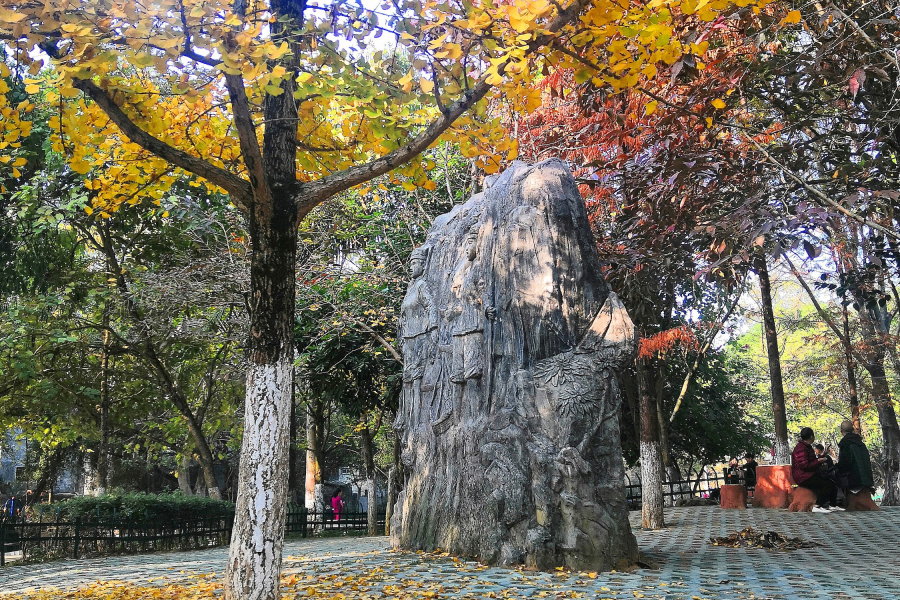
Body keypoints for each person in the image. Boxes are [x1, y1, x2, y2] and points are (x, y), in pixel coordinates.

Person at [792, 427, 839, 512]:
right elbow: (804, 465)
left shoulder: (807, 447)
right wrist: (818, 461)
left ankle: (833, 504)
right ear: (811, 437)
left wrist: (821, 457)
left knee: (831, 482)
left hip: (808, 473)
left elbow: (811, 460)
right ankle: (817, 506)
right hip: (802, 476)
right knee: (825, 484)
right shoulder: (801, 448)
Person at [837, 420, 875, 502]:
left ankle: (838, 500)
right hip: (867, 477)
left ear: (841, 431)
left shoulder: (845, 443)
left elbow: (844, 464)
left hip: (854, 478)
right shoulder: (860, 443)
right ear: (852, 430)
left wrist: (835, 468)